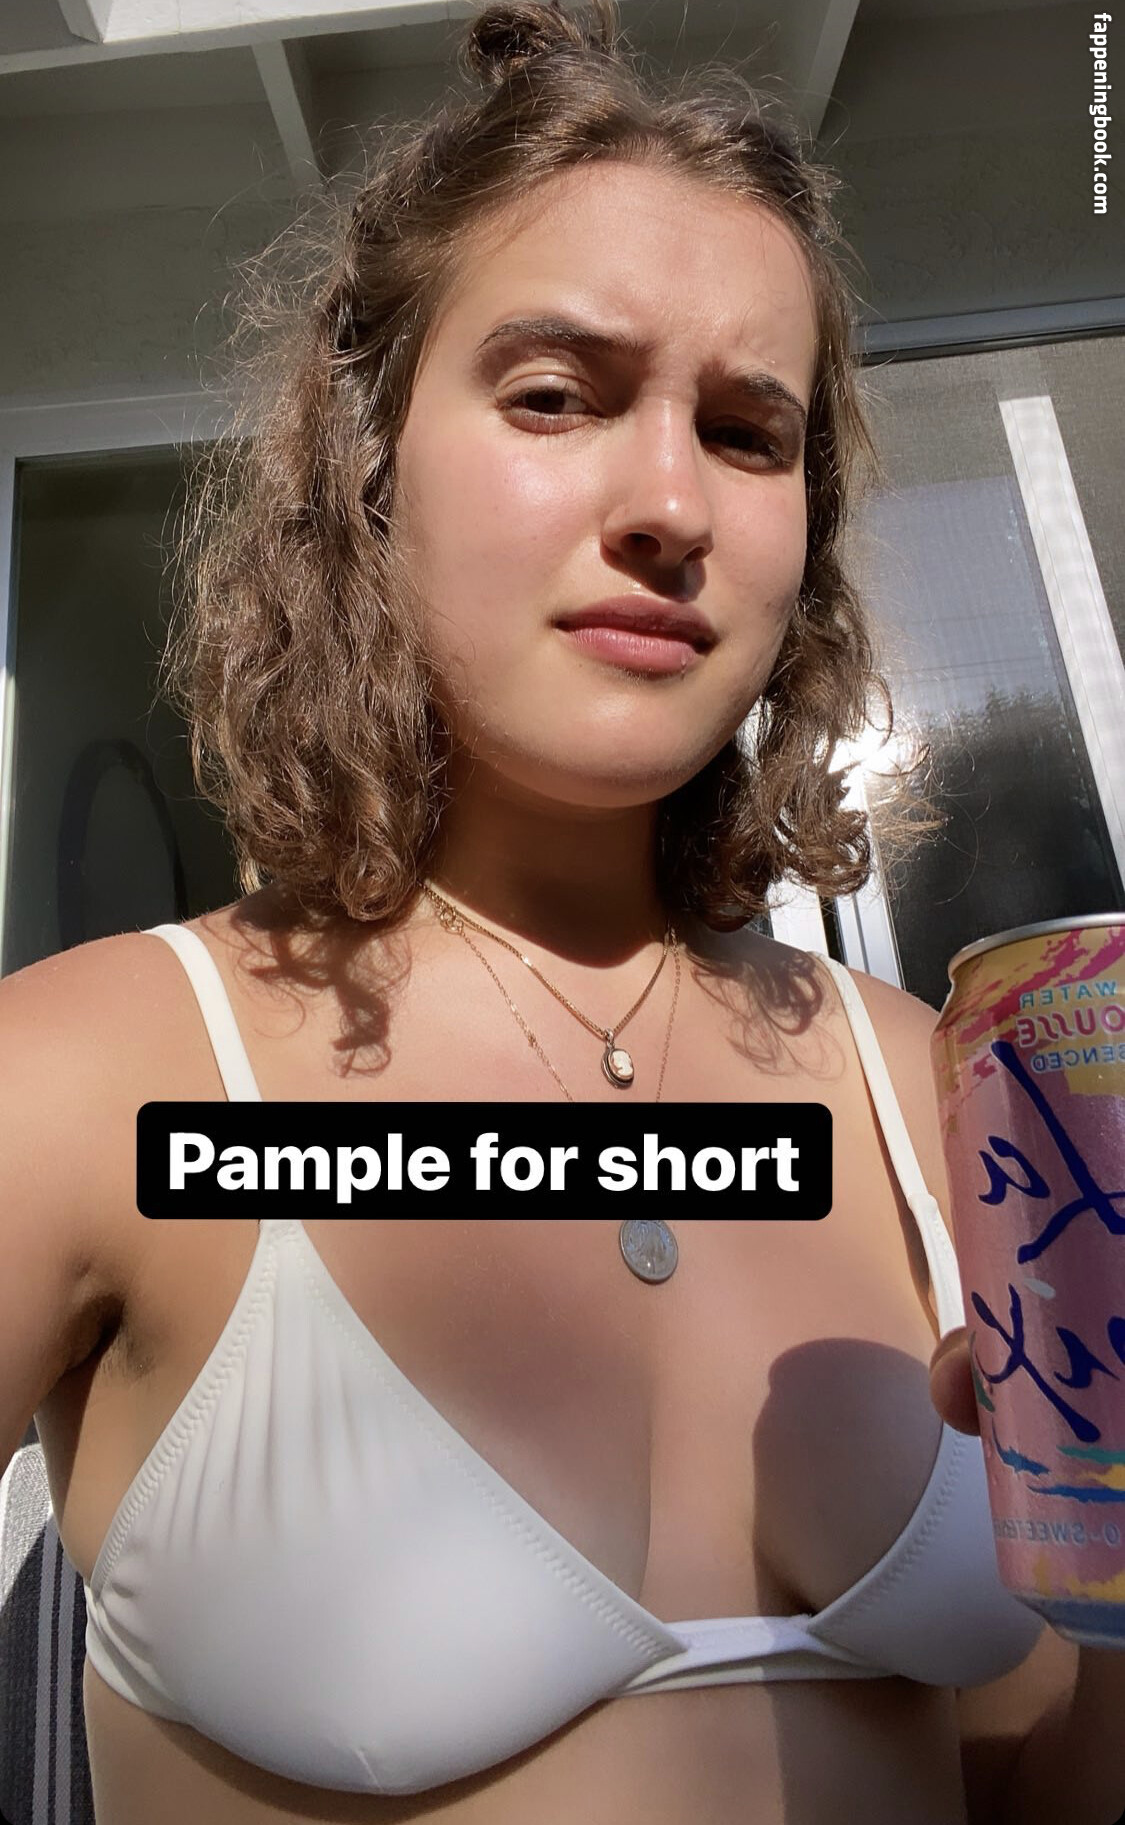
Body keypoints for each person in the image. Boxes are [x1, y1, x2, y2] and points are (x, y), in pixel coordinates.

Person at [0, 2, 1090, 1821]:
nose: (669, 503)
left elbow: (1043, 1772)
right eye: (556, 394)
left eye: (745, 432)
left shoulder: (943, 1101)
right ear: (367, 470)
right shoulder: (86, 1079)